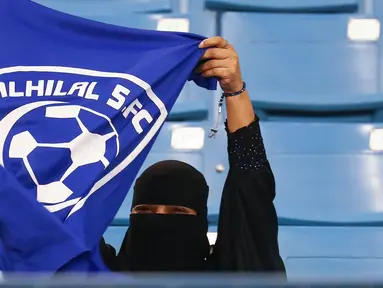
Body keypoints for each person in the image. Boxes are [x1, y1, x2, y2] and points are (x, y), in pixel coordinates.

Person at [100, 36, 286, 273]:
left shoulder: (232, 275)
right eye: (144, 211)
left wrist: (234, 89)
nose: (158, 221)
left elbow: (250, 181)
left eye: (178, 212)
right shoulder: (100, 273)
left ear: (200, 218)